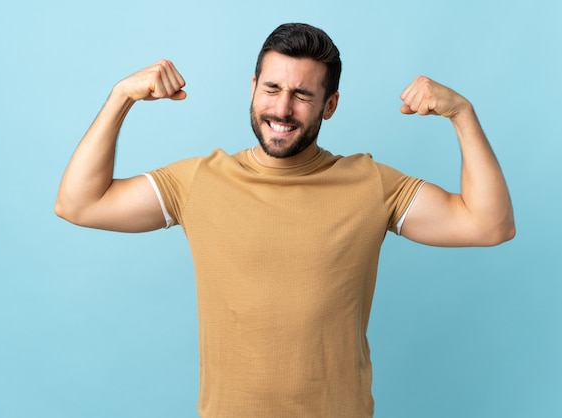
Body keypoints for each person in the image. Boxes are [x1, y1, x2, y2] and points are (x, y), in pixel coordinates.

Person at [55, 23, 514, 418]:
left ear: (329, 105)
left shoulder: (370, 183)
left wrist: (462, 114)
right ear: (252, 87)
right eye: (272, 89)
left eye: (301, 95)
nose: (281, 109)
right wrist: (121, 97)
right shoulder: (199, 181)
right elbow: (80, 204)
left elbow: (488, 225)